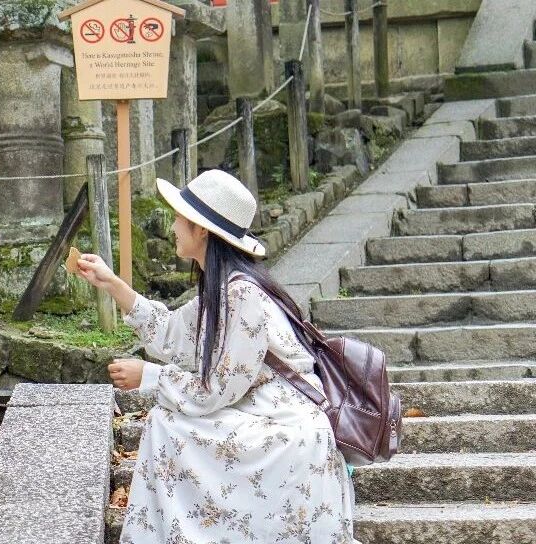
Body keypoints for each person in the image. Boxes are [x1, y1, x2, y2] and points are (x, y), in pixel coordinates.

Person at [73, 170, 360, 543]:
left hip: (287, 430)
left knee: (166, 424)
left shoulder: (242, 297)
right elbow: (172, 333)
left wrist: (151, 376)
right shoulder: (226, 290)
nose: (173, 226)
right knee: (165, 422)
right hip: (266, 417)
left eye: (179, 217)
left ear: (202, 230)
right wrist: (111, 283)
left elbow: (216, 389)